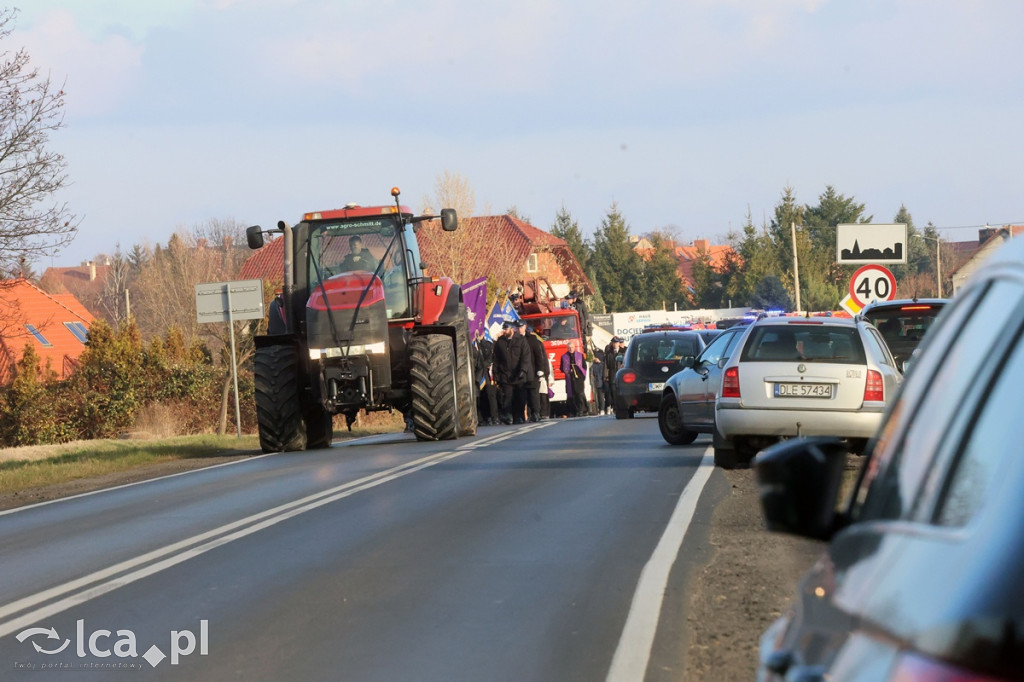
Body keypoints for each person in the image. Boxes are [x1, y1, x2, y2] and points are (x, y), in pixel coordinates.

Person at [492, 321, 520, 425]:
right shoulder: (500, 342)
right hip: (504, 374)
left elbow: (524, 357)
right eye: (503, 329)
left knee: (518, 396)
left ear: (512, 329)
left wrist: (522, 371)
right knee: (507, 396)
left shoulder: (519, 340)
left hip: (517, 374)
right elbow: (495, 359)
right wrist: (495, 374)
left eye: (506, 329)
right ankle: (507, 415)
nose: (504, 331)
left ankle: (518, 416)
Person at [524, 323, 548, 422]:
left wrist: (541, 370)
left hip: (534, 371)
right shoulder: (521, 340)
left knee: (534, 394)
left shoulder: (535, 341)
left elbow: (540, 357)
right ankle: (529, 414)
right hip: (525, 372)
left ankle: (536, 413)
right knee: (527, 394)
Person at [474, 331, 499, 425]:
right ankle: (482, 418)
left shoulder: (487, 344)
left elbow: (489, 358)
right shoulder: (473, 345)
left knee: (490, 396)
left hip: (486, 374)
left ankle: (494, 417)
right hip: (477, 374)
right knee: (479, 397)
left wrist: (481, 365)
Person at [510, 320, 533, 424]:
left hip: (523, 373)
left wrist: (523, 370)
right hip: (510, 373)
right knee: (512, 396)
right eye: (517, 327)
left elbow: (526, 357)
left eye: (521, 327)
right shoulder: (510, 340)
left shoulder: (530, 338)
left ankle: (525, 415)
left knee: (522, 396)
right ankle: (516, 416)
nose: (519, 329)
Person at [560, 339, 587, 417]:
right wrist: (567, 370)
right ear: (567, 348)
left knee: (579, 394)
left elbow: (584, 366)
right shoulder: (564, 356)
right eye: (569, 347)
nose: (571, 349)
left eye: (572, 347)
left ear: (574, 347)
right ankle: (573, 411)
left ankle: (581, 410)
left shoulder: (580, 355)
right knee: (571, 395)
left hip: (579, 377)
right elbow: (561, 368)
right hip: (570, 378)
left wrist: (582, 376)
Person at [604, 336, 625, 411]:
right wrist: (606, 375)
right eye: (614, 343)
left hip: (622, 375)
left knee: (622, 391)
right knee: (613, 392)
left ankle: (623, 406)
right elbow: (606, 365)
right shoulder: (609, 353)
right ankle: (616, 408)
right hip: (612, 375)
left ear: (619, 343)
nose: (615, 344)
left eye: (616, 343)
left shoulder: (624, 351)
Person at [590, 348, 607, 415]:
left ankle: (602, 408)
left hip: (601, 381)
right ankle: (601, 408)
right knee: (599, 396)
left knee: (601, 395)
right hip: (597, 382)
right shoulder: (594, 364)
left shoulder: (601, 364)